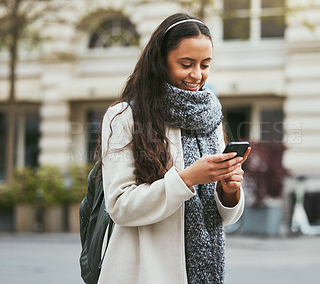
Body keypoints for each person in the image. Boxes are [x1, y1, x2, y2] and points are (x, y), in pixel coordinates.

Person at [97, 12, 251, 284]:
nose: (197, 75)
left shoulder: (210, 115)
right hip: (144, 271)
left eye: (205, 65)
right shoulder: (125, 116)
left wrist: (229, 190)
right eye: (186, 63)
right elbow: (119, 206)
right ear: (160, 61)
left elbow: (220, 218)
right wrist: (188, 178)